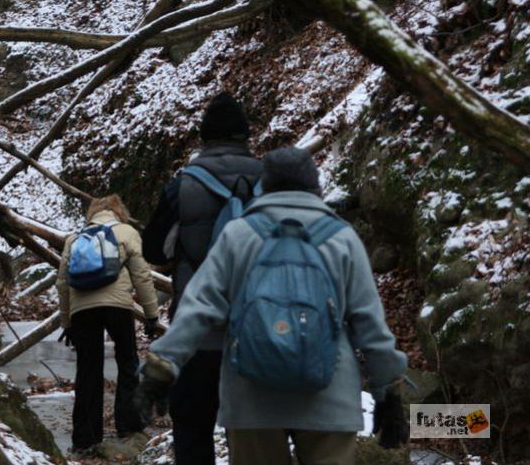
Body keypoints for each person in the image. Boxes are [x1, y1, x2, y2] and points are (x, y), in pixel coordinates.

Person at [136, 147, 409, 464]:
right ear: (316, 187)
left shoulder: (238, 235)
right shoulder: (342, 238)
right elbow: (370, 324)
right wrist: (388, 391)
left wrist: (161, 368)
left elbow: (198, 309)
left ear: (263, 187)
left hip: (251, 399)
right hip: (329, 396)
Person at [142, 92, 263, 464]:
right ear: (246, 136)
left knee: (192, 430)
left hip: (197, 334)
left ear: (204, 137)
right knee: (257, 439)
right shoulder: (275, 183)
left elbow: (153, 252)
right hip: (259, 332)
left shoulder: (183, 186)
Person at [55, 194, 159, 455]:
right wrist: (151, 314)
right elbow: (142, 275)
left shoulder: (75, 238)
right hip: (117, 307)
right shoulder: (126, 232)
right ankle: (129, 427)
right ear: (119, 212)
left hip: (83, 310)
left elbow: (62, 283)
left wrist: (67, 322)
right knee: (127, 363)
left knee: (88, 370)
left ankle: (85, 438)